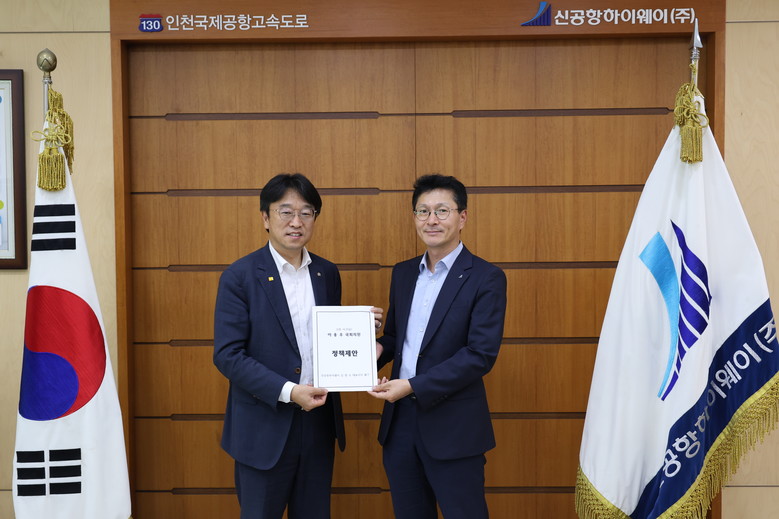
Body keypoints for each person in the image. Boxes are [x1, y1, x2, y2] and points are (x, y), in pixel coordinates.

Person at [213, 173, 381, 519]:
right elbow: (228, 355)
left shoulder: (326, 273)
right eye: (286, 212)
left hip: (317, 423)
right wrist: (290, 392)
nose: (296, 222)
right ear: (266, 217)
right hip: (263, 428)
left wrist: (363, 336)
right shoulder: (240, 276)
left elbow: (329, 341)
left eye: (306, 213)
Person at [368, 174, 507, 519]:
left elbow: (479, 355)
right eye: (423, 211)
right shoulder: (403, 273)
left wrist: (413, 385)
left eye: (442, 210)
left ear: (462, 217)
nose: (432, 220)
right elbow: (396, 337)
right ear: (414, 217)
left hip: (454, 428)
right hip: (400, 425)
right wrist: (373, 351)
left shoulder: (486, 277)